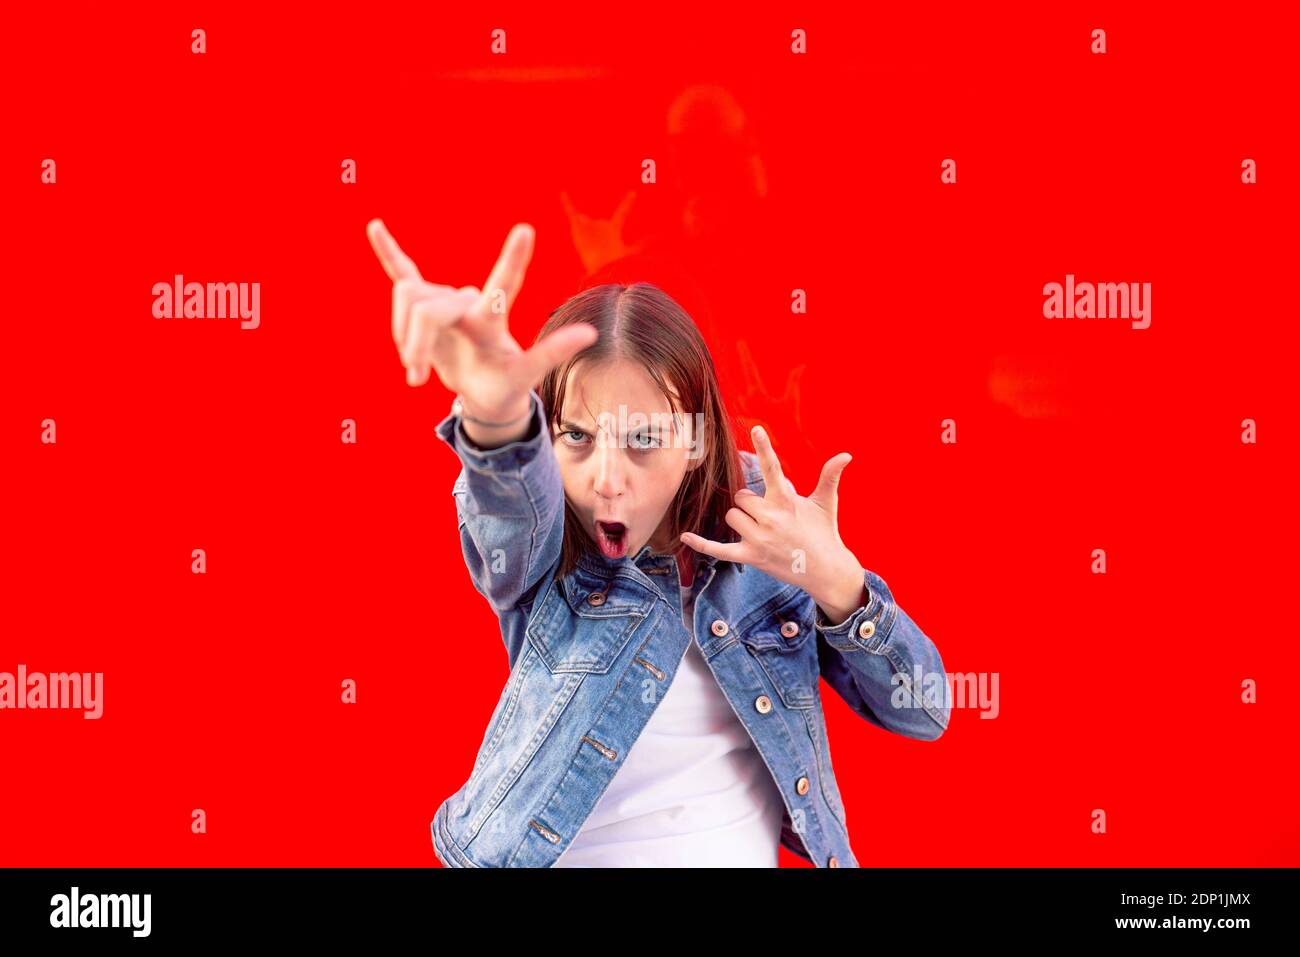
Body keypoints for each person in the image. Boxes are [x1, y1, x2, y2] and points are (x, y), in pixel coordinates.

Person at [366, 219, 950, 868]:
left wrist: (839, 582)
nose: (607, 481)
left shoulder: (772, 545)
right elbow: (505, 504)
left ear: (699, 441)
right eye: (578, 437)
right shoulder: (546, 546)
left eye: (642, 439)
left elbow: (924, 712)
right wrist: (497, 419)